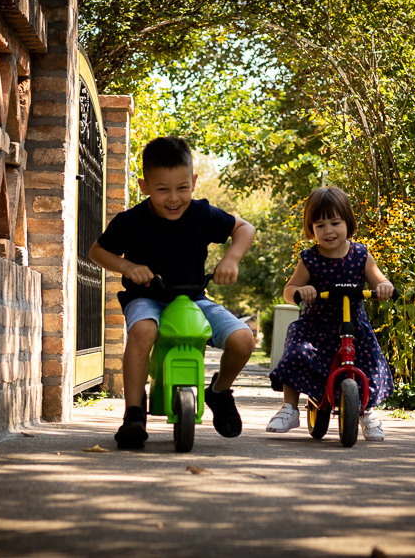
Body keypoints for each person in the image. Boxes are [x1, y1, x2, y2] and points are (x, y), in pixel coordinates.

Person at [89, 136, 257, 449]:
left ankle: (219, 392)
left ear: (193, 181)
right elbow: (97, 251)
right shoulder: (132, 220)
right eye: (162, 189)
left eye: (182, 187)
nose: (173, 198)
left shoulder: (202, 214)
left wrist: (231, 258)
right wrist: (127, 267)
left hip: (194, 298)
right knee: (143, 330)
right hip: (147, 297)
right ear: (144, 186)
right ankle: (134, 415)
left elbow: (244, 228)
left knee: (243, 339)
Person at [266, 186, 395, 441]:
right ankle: (290, 408)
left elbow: (381, 280)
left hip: (353, 326)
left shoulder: (360, 255)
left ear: (348, 222)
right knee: (296, 352)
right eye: (320, 225)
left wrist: (384, 287)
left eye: (335, 222)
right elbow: (288, 290)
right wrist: (302, 290)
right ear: (311, 229)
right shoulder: (310, 259)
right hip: (316, 325)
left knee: (370, 361)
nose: (328, 231)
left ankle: (367, 411)